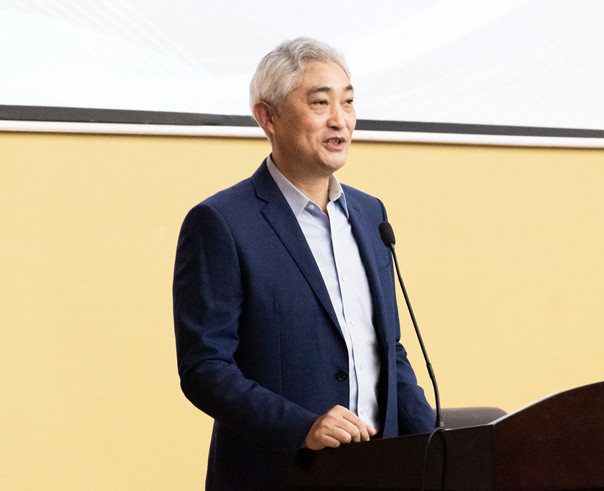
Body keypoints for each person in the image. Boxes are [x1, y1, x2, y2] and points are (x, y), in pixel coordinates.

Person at [173, 37, 436, 490]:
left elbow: (386, 351)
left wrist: (441, 443)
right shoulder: (222, 223)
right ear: (268, 117)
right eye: (320, 103)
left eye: (348, 102)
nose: (340, 120)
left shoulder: (370, 214)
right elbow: (205, 368)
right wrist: (302, 428)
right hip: (278, 475)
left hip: (380, 470)